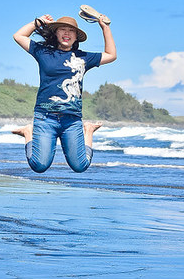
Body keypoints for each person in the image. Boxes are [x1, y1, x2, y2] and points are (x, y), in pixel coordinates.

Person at [12, 12, 116, 173]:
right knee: (39, 166)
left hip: (72, 120)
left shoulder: (83, 58)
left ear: (76, 37)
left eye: (71, 30)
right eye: (62, 29)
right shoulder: (43, 52)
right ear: (56, 33)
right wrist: (38, 23)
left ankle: (88, 130)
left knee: (80, 166)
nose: (67, 33)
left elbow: (111, 55)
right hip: (45, 117)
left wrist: (105, 28)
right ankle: (28, 132)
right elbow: (18, 36)